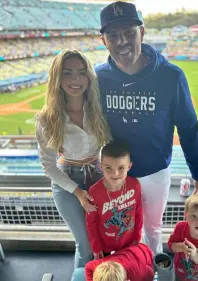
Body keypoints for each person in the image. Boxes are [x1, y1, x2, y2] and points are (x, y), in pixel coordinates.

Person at [96, 1, 198, 256]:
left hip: (155, 172)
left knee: (153, 230)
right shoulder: (99, 77)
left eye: (129, 33)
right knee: (118, 230)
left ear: (142, 33)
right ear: (103, 41)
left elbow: (188, 127)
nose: (122, 41)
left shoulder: (171, 76)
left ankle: (149, 270)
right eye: (113, 35)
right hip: (116, 175)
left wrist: (197, 173)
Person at [35, 49, 111, 269]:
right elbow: (48, 165)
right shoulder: (46, 119)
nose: (76, 80)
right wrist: (78, 192)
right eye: (67, 73)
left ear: (89, 76)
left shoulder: (99, 109)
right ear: (57, 78)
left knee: (104, 240)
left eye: (81, 72)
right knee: (85, 245)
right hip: (67, 183)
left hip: (98, 176)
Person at [86, 140, 142, 258]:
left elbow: (138, 213)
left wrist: (137, 238)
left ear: (129, 166)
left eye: (121, 168)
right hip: (105, 244)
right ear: (101, 167)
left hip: (128, 242)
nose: (115, 173)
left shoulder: (135, 185)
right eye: (108, 168)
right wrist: (96, 247)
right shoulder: (94, 191)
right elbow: (91, 222)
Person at [85, 243, 154, 281]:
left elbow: (150, 273)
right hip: (128, 253)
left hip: (146, 252)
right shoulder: (97, 266)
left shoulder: (137, 274)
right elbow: (88, 267)